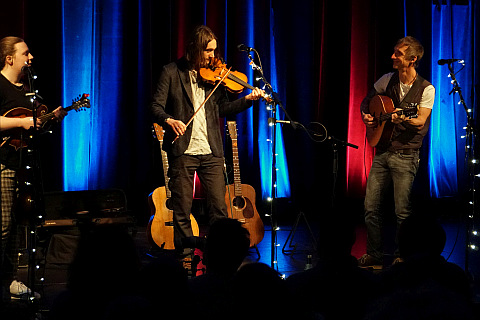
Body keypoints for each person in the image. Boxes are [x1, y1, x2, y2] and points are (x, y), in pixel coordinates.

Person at [150, 25, 264, 256]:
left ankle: (220, 256)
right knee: (182, 209)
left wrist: (248, 99)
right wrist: (170, 120)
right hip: (183, 151)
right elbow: (155, 107)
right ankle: (185, 258)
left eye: (214, 51)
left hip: (211, 150)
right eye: (208, 51)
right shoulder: (171, 72)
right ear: (195, 48)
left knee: (219, 210)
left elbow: (222, 108)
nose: (213, 56)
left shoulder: (213, 76)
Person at [358, 36, 435, 268]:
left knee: (402, 211)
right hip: (382, 151)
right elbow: (367, 102)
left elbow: (420, 119)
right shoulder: (387, 79)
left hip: (406, 154)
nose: (392, 57)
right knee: (370, 207)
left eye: (398, 54)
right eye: (394, 52)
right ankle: (374, 254)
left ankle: (403, 256)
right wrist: (368, 116)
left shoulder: (426, 88)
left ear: (412, 60)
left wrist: (403, 117)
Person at [0, 36, 67, 300]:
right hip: (4, 163)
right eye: (25, 53)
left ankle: (16, 280)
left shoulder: (29, 89)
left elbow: (38, 125)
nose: (30, 58)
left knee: (23, 224)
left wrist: (51, 118)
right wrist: (25, 121)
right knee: (3, 224)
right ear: (10, 58)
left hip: (26, 167)